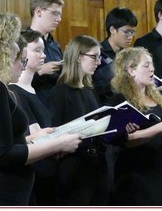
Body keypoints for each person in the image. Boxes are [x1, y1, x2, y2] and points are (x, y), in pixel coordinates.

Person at [0, 11, 81, 206]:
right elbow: (3, 155)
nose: (17, 47)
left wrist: (31, 139)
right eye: (13, 41)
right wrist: (58, 144)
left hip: (1, 188)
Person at [108, 47, 162, 205]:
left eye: (152, 65)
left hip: (159, 170)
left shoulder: (156, 98)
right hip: (135, 175)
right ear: (131, 70)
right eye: (146, 65)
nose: (152, 69)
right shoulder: (122, 100)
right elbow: (127, 140)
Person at [47, 35, 109, 205]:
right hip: (73, 169)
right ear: (78, 57)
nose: (98, 61)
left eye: (100, 56)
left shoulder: (90, 89)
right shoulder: (60, 92)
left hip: (97, 165)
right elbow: (53, 133)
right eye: (94, 56)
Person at [8, 29, 56, 205]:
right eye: (37, 50)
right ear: (22, 51)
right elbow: (35, 135)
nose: (43, 55)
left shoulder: (34, 89)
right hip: (33, 173)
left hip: (46, 169)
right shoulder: (14, 91)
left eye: (43, 50)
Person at [92, 7, 138, 106]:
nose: (130, 37)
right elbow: (91, 88)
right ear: (113, 30)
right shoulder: (97, 54)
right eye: (126, 32)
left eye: (133, 32)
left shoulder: (129, 56)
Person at [28, 0, 65, 107]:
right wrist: (40, 71)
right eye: (55, 13)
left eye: (60, 15)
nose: (59, 19)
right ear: (38, 12)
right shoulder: (21, 41)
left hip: (57, 107)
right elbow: (11, 81)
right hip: (35, 107)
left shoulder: (55, 45)